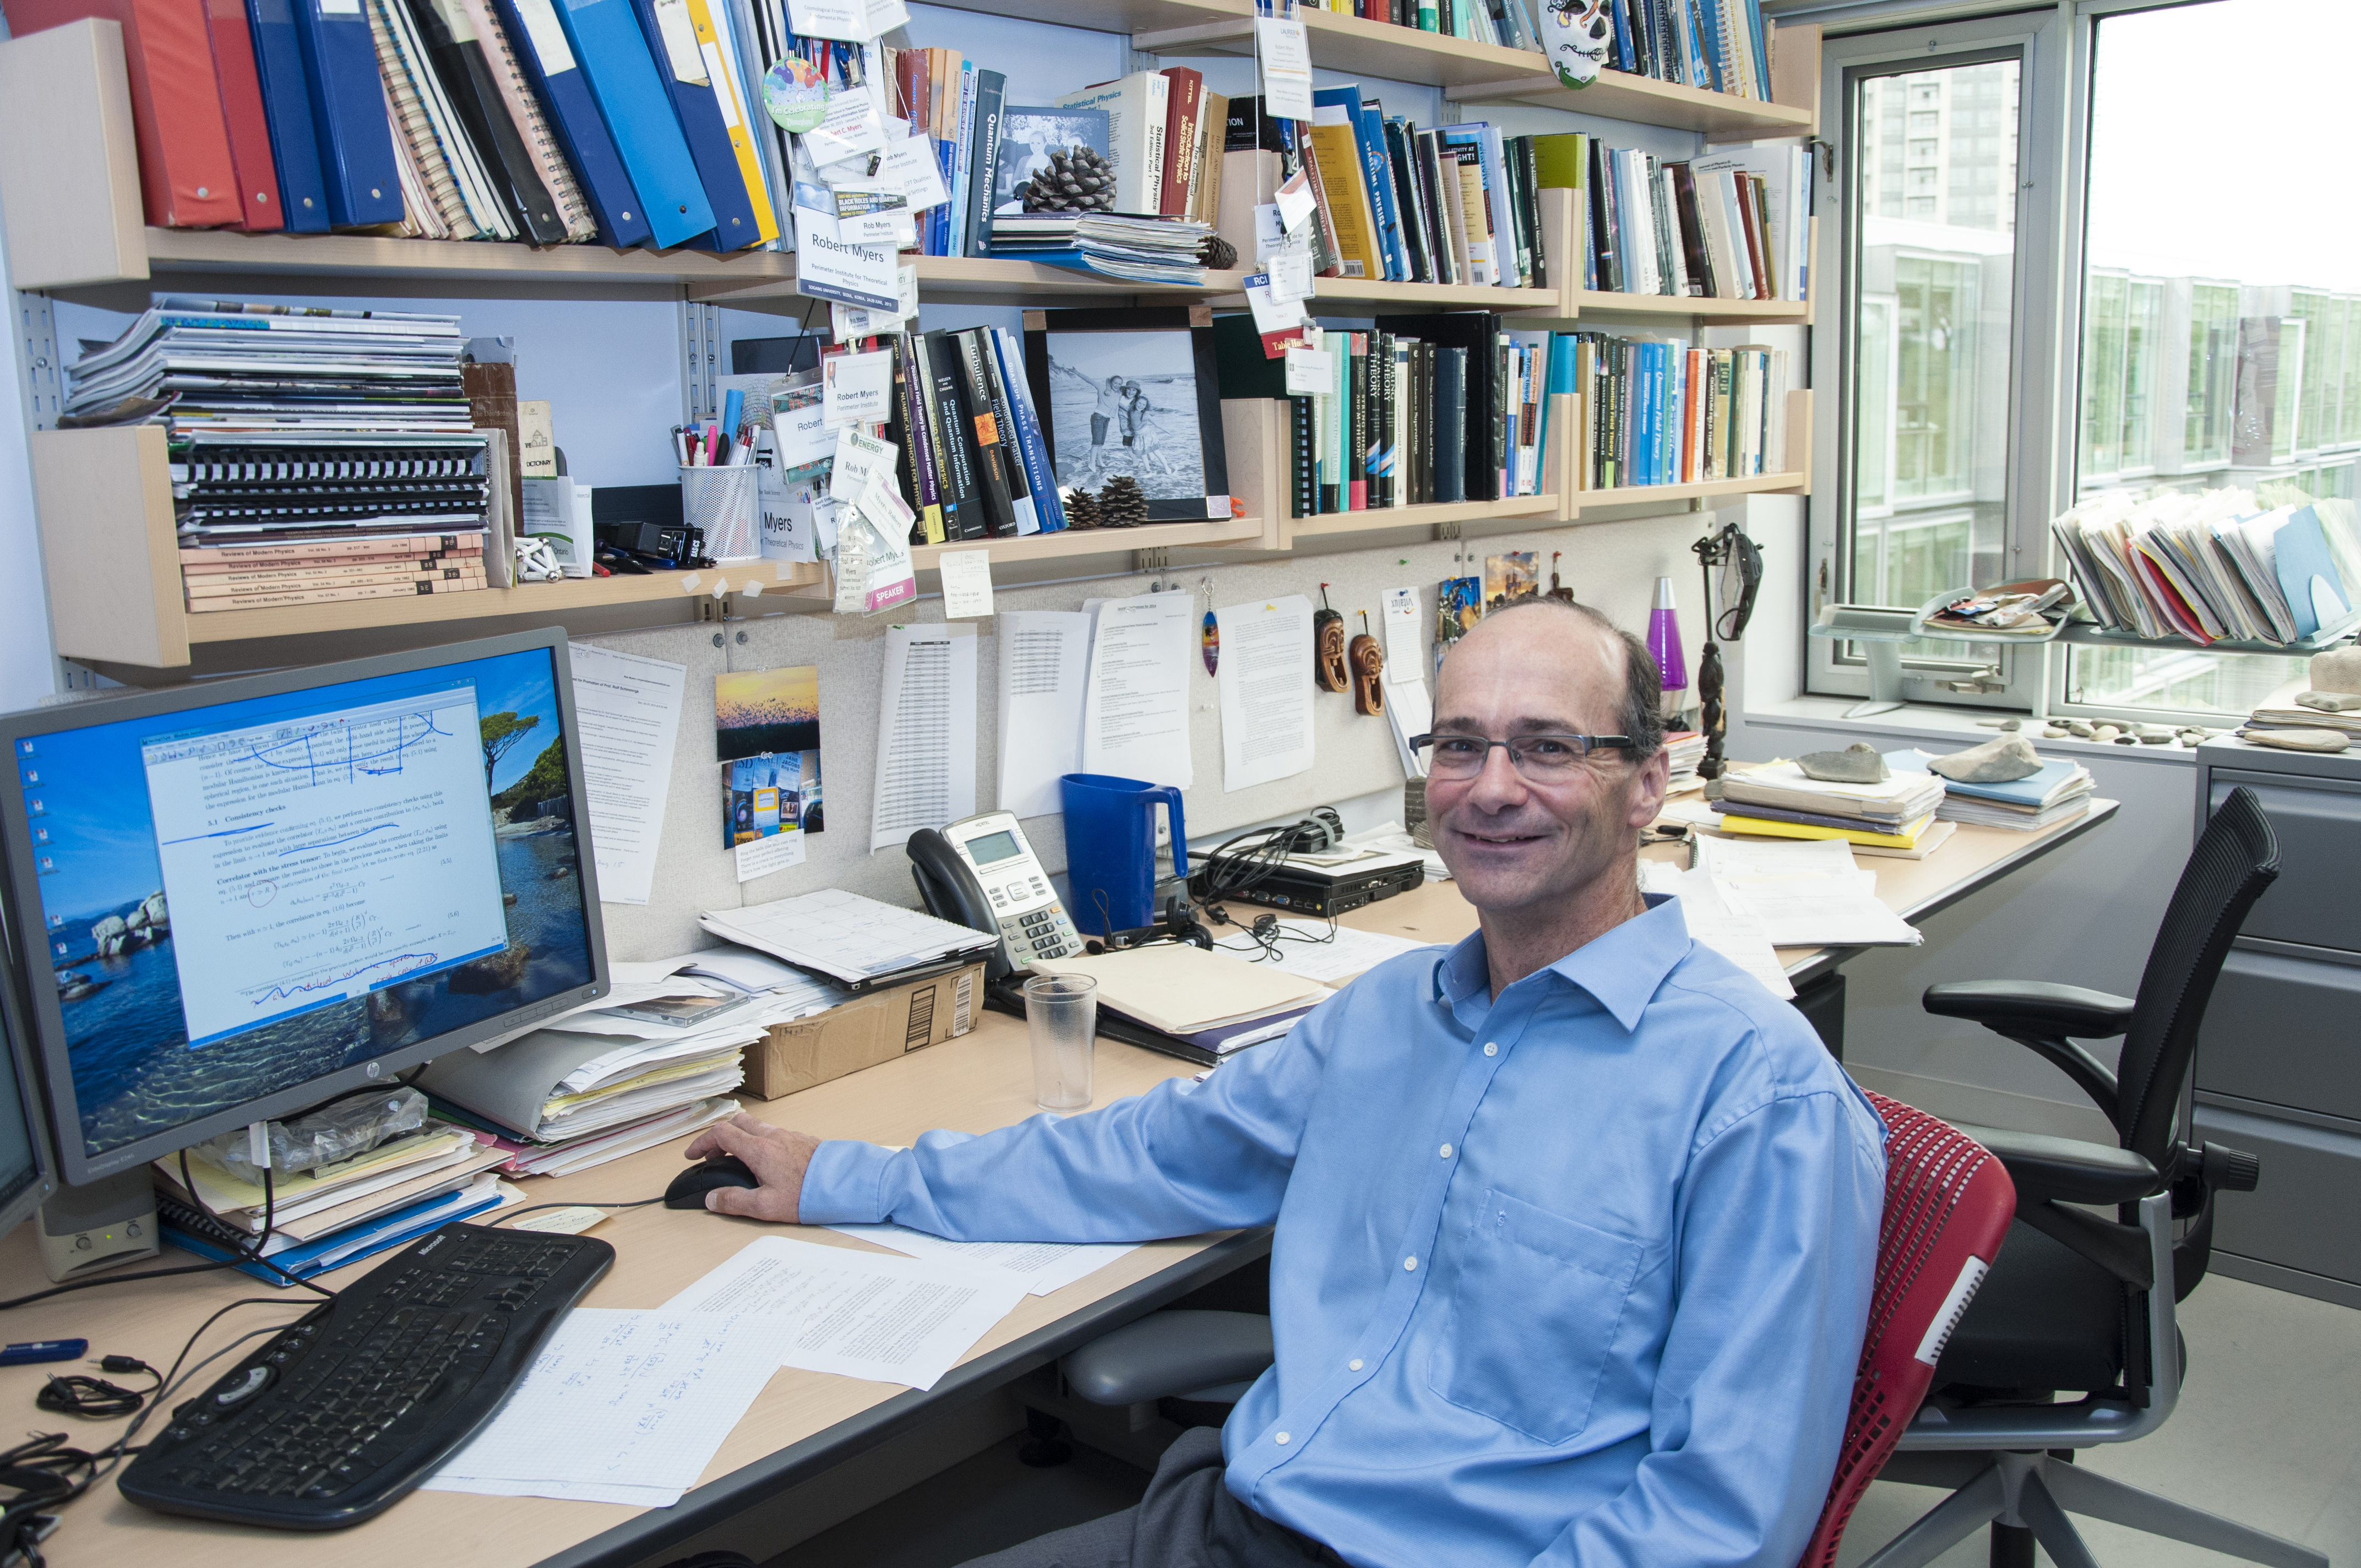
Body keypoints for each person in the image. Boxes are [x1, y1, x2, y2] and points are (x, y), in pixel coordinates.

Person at [684, 597, 1888, 1568]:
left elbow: (1719, 1524)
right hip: (1226, 1520)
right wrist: (847, 1173)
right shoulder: (1383, 1017)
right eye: (1458, 744)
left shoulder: (1757, 1102)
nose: (1489, 785)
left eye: (1547, 746)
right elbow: (1143, 1154)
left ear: (1646, 782)